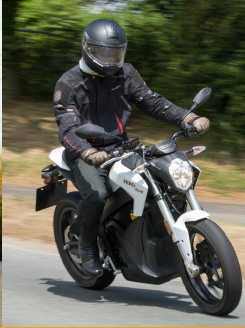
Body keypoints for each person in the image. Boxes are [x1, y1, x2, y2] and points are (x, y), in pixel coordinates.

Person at [53, 19, 210, 277]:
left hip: (121, 147)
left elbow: (152, 102)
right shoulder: (69, 83)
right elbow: (67, 129)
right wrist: (87, 152)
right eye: (104, 53)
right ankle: (87, 245)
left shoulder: (125, 73)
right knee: (96, 194)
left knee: (163, 176)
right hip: (85, 152)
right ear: (88, 49)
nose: (110, 58)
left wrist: (188, 118)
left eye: (115, 53)